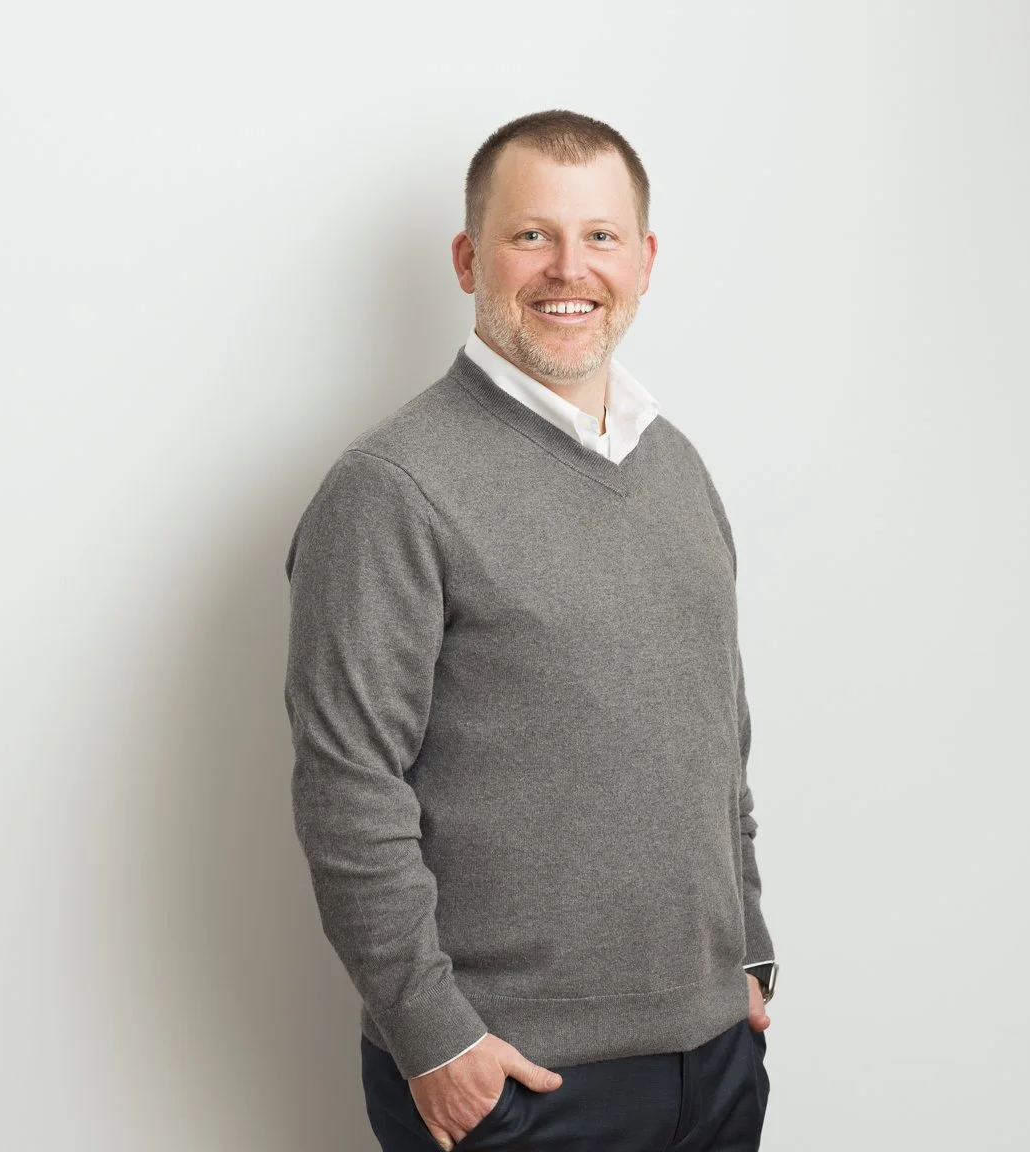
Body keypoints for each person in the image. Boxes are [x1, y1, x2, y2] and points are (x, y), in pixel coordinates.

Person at [282, 109, 779, 1151]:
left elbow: (715, 740)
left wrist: (747, 954)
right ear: (468, 258)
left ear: (643, 261)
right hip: (518, 1081)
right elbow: (346, 784)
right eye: (529, 235)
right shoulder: (391, 489)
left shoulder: (676, 466)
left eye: (600, 236)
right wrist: (433, 1040)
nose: (569, 267)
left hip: (712, 1056)